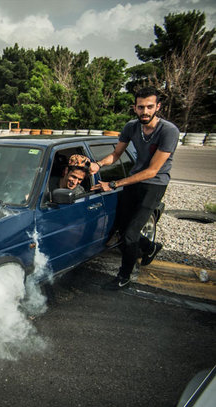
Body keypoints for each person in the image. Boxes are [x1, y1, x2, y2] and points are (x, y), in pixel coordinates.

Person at [90, 86, 179, 290]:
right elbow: (116, 154)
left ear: (158, 106)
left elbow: (152, 171)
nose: (145, 112)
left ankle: (124, 276)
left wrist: (113, 184)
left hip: (154, 185)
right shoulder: (131, 126)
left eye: (149, 107)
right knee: (121, 228)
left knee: (130, 235)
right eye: (141, 107)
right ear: (135, 107)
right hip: (133, 181)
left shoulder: (168, 131)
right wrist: (99, 164)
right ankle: (150, 247)